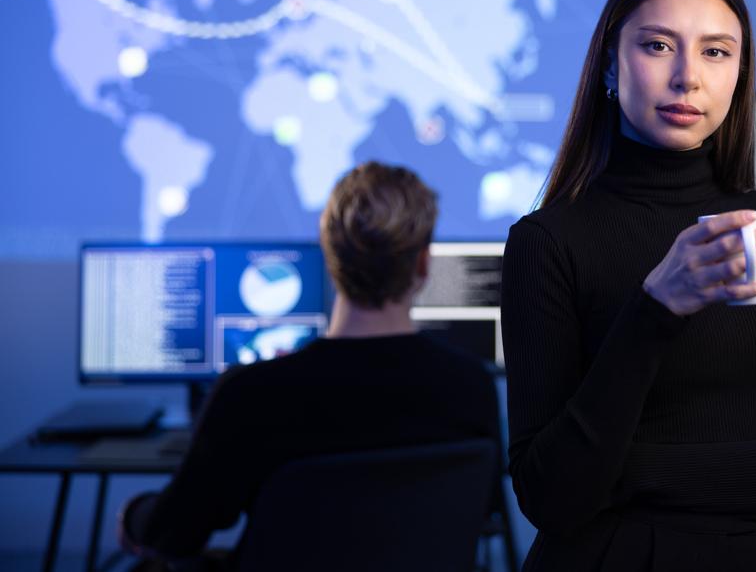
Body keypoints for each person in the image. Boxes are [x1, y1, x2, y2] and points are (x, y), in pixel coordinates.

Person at [501, 0, 756, 571]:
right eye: (658, 46)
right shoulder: (546, 240)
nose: (688, 78)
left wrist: (623, 472)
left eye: (715, 52)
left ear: (738, 76)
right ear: (610, 68)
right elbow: (551, 492)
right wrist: (656, 308)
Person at [118, 162, 501, 569]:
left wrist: (134, 516)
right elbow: (484, 511)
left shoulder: (251, 395)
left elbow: (175, 535)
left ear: (329, 255)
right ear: (424, 265)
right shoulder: (471, 388)